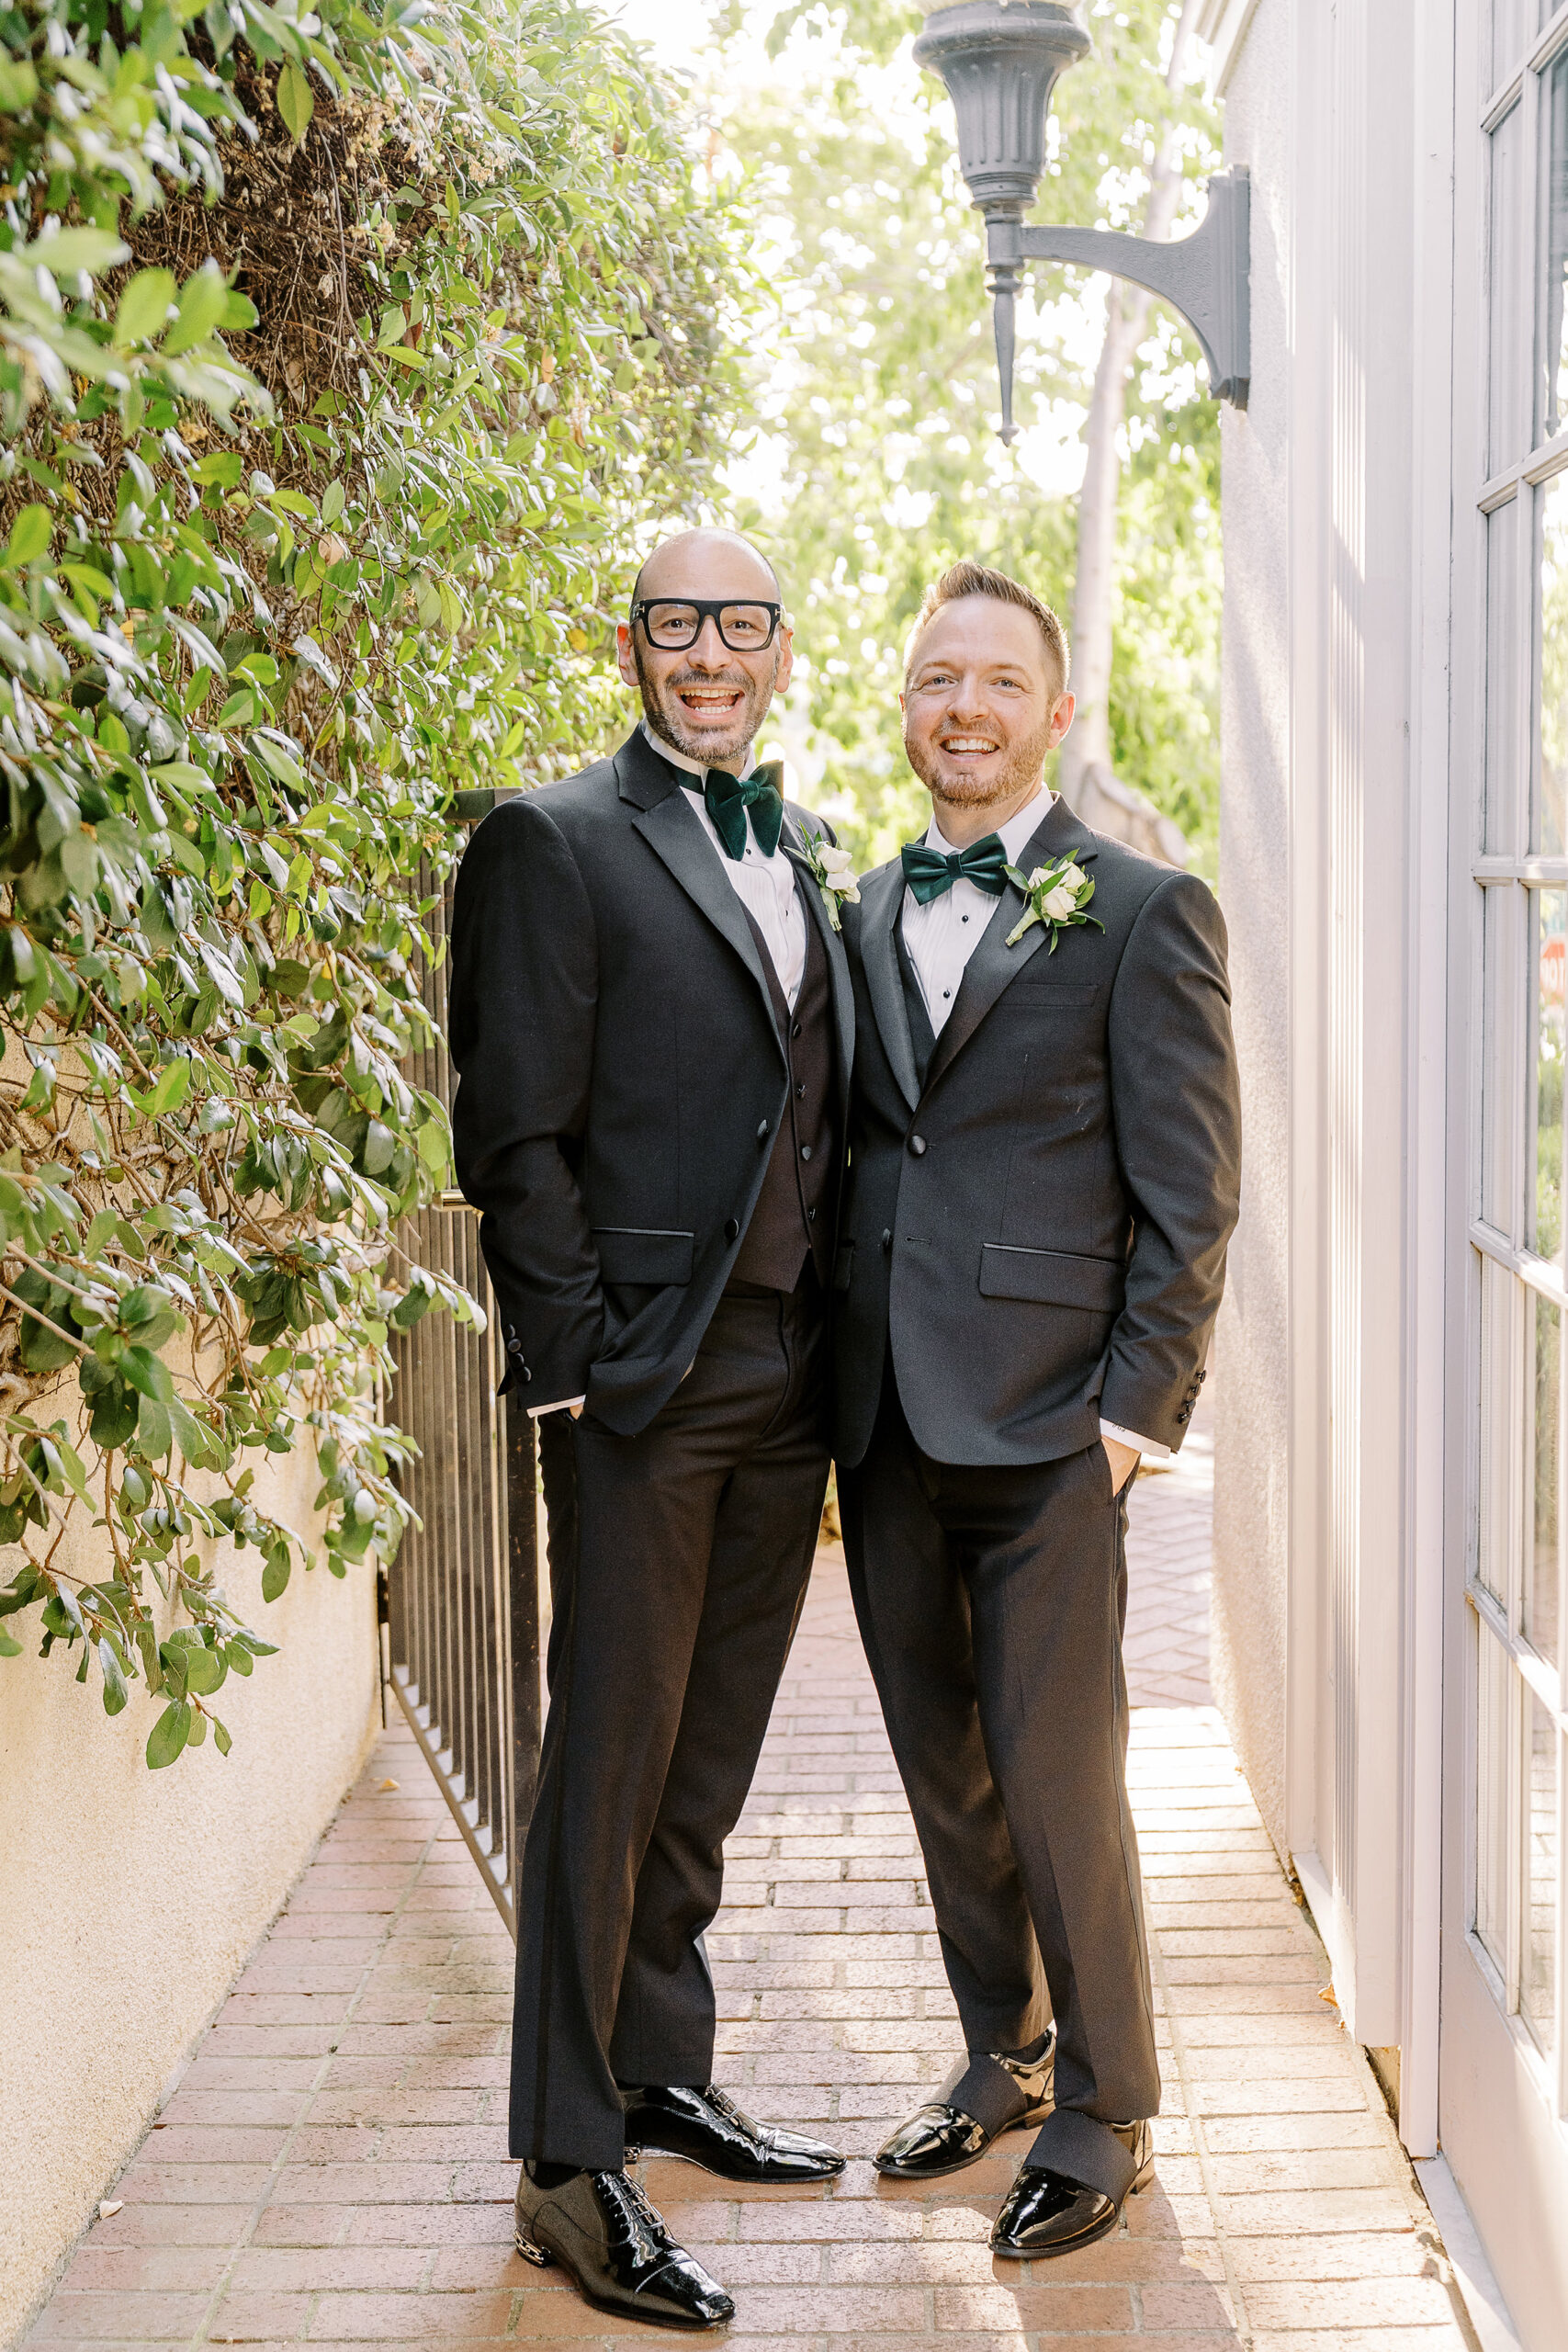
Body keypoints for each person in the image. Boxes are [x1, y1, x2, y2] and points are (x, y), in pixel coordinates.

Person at [448, 528, 854, 2330]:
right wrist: (579, 1365)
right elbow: (509, 1130)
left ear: (779, 650)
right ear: (632, 645)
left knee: (707, 1745)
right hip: (646, 1382)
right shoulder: (552, 841)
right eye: (678, 622)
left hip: (792, 1373)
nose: (710, 652)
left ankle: (653, 2066)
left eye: (739, 623)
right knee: (607, 1753)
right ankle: (561, 2155)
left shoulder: (799, 843)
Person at [833, 560, 1241, 2257]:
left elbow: (1193, 1193)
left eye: (1002, 681)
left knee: (1061, 1777)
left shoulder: (1143, 910)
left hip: (1056, 1428)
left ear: (1055, 712)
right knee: (943, 1767)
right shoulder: (863, 907)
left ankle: (1106, 2105)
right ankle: (1004, 2051)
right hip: (884, 1422)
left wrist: (1134, 1417)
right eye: (941, 678)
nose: (967, 708)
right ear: (905, 704)